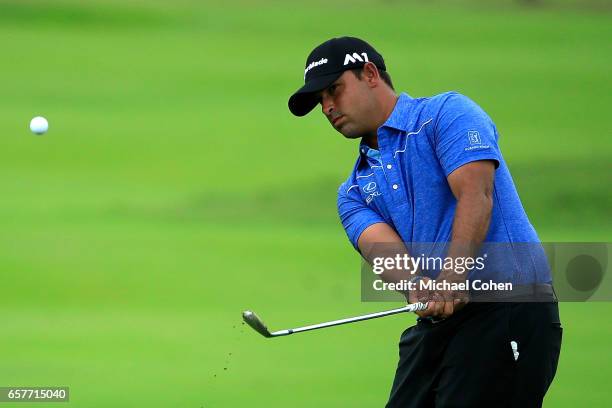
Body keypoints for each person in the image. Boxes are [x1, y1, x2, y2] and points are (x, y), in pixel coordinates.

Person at [288, 37, 562, 407]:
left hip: (508, 310)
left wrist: (452, 278)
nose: (327, 107)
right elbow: (381, 249)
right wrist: (417, 286)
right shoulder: (353, 191)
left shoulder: (446, 114)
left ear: (370, 74)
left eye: (333, 90)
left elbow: (477, 195)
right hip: (437, 327)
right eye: (320, 101)